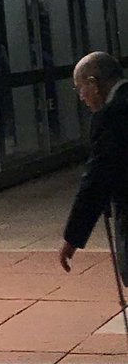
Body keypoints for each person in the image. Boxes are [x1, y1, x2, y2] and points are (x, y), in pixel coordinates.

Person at [59, 51, 128, 283]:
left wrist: (72, 239)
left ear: (93, 84)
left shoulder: (109, 117)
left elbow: (96, 180)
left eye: (80, 88)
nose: (81, 97)